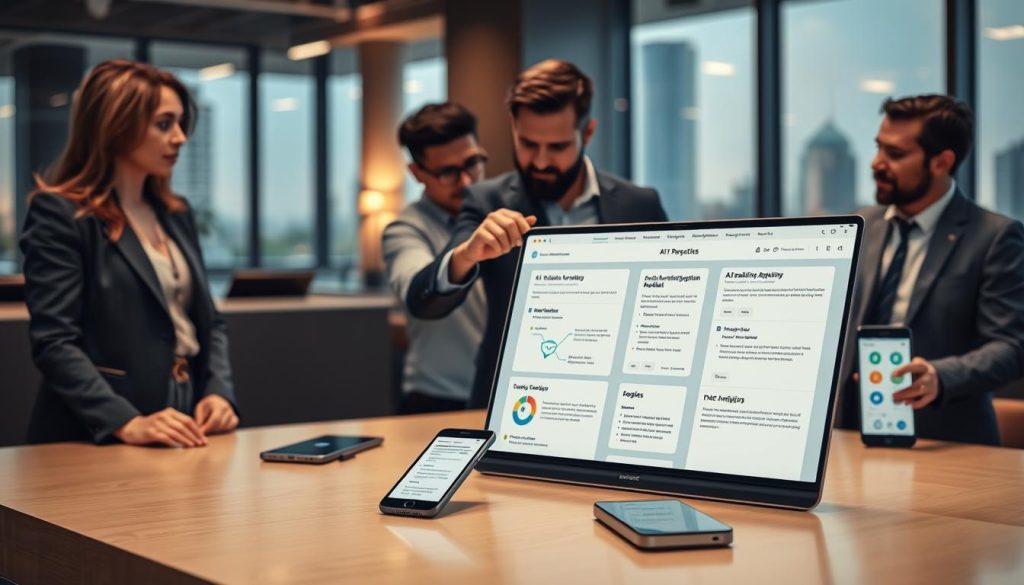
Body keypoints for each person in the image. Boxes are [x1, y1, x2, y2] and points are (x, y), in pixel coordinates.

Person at [406, 59, 668, 408]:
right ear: (513, 128)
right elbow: (425, 301)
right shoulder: (487, 201)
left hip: (613, 401)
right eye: (528, 144)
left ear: (587, 133)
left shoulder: (639, 204)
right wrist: (468, 254)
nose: (541, 162)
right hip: (511, 407)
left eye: (557, 147)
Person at [20, 59, 239, 447]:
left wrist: (218, 392)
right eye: (164, 124)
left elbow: (210, 321)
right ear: (117, 125)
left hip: (184, 414)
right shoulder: (61, 214)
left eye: (181, 123)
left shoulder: (176, 214)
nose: (180, 138)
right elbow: (55, 342)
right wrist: (126, 421)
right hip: (99, 427)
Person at [836, 94, 1024, 445]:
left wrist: (940, 376)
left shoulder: (994, 236)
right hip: (848, 437)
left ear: (942, 162)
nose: (877, 163)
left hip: (946, 442)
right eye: (879, 148)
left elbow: (1011, 347)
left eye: (895, 154)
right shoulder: (861, 224)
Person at [383, 103, 488, 414]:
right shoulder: (405, 230)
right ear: (417, 173)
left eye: (472, 163)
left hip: (511, 398)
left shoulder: (508, 210)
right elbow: (418, 290)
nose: (466, 181)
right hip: (439, 401)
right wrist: (466, 254)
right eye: (447, 173)